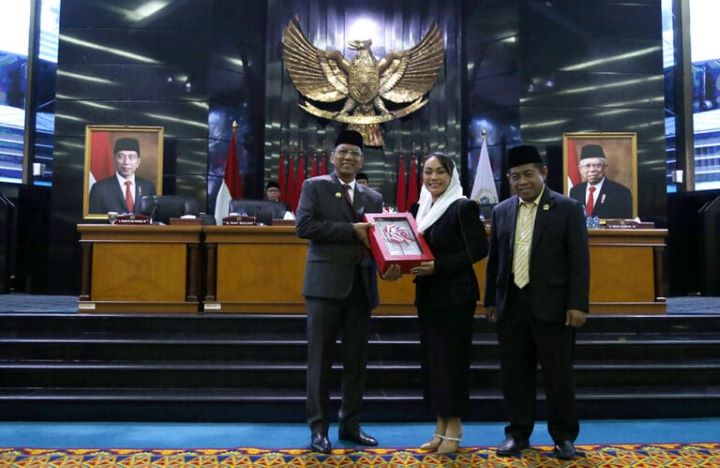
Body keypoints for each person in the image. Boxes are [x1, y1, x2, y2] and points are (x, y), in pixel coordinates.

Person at [485, 145, 590, 460]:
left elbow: (579, 261)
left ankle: (564, 438)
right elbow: (495, 262)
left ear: (543, 173)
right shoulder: (502, 210)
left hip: (555, 308)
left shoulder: (568, 208)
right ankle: (517, 435)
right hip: (511, 306)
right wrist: (491, 300)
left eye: (528, 174)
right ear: (508, 179)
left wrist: (578, 304)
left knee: (559, 377)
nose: (522, 182)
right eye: (515, 176)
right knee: (515, 375)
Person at [296, 129, 392, 454]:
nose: (349, 158)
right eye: (343, 152)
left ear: (362, 160)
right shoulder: (315, 187)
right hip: (324, 288)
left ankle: (350, 425)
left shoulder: (373, 197)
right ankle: (318, 430)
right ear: (332, 157)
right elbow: (304, 227)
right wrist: (349, 231)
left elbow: (378, 241)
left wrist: (391, 262)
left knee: (356, 363)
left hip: (361, 289)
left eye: (355, 154)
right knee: (319, 361)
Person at [407, 153, 488, 453]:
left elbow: (479, 248)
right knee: (434, 365)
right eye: (428, 172)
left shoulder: (463, 206)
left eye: (440, 172)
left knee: (452, 363)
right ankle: (440, 426)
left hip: (455, 297)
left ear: (451, 176)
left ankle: (455, 426)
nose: (433, 178)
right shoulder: (420, 208)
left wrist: (438, 266)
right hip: (428, 296)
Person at [89, 138, 156, 214]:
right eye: (121, 156)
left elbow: (153, 218)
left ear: (138, 162)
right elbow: (93, 221)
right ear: (114, 160)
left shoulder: (148, 187)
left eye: (131, 157)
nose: (126, 162)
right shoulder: (99, 189)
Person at [569, 144, 632, 219]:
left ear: (605, 168)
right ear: (580, 169)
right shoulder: (575, 191)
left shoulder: (621, 192)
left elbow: (625, 225)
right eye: (587, 166)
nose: (592, 170)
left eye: (597, 166)